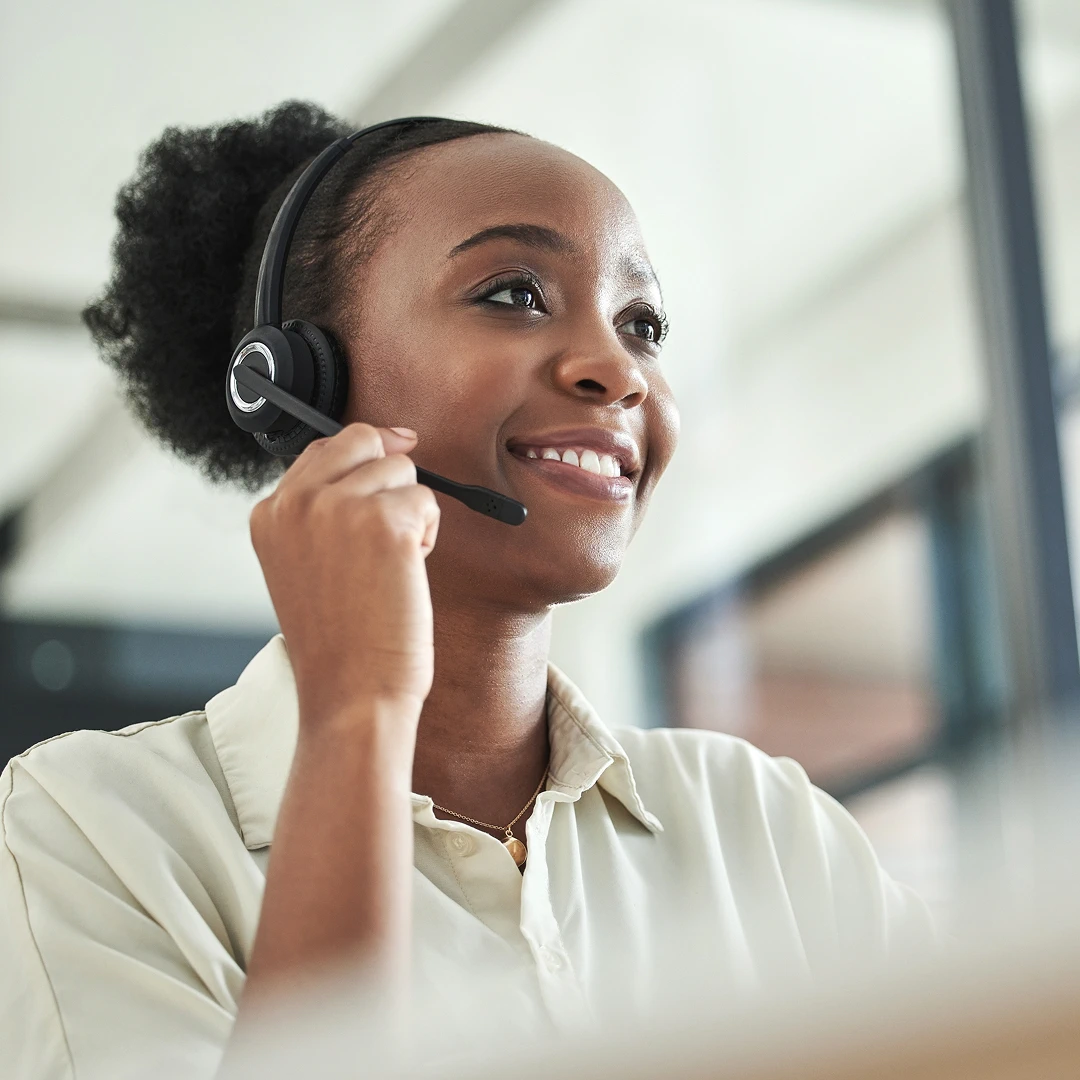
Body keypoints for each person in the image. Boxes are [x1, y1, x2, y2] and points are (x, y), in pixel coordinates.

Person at [0, 102, 933, 1080]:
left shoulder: (760, 824)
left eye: (642, 323)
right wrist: (356, 710)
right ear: (294, 384)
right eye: (514, 294)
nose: (617, 369)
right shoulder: (91, 834)